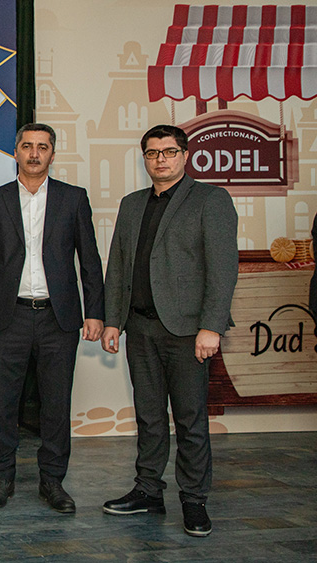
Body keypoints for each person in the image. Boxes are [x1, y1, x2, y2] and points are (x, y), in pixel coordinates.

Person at [101, 124, 238, 537]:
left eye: (169, 151)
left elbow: (223, 269)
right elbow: (118, 266)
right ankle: (148, 490)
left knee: (191, 420)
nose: (160, 159)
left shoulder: (211, 200)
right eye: (152, 153)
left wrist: (211, 327)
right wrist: (113, 320)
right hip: (140, 328)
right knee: (149, 417)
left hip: (187, 332)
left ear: (185, 155)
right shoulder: (131, 204)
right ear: (144, 158)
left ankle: (194, 501)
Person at [0, 123, 104, 513]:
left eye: (42, 147)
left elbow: (90, 260)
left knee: (56, 404)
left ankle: (53, 482)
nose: (34, 153)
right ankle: (2, 478)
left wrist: (95, 312)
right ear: (15, 152)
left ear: (52, 154)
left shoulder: (73, 199)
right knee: (4, 403)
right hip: (7, 317)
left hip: (58, 318)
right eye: (27, 146)